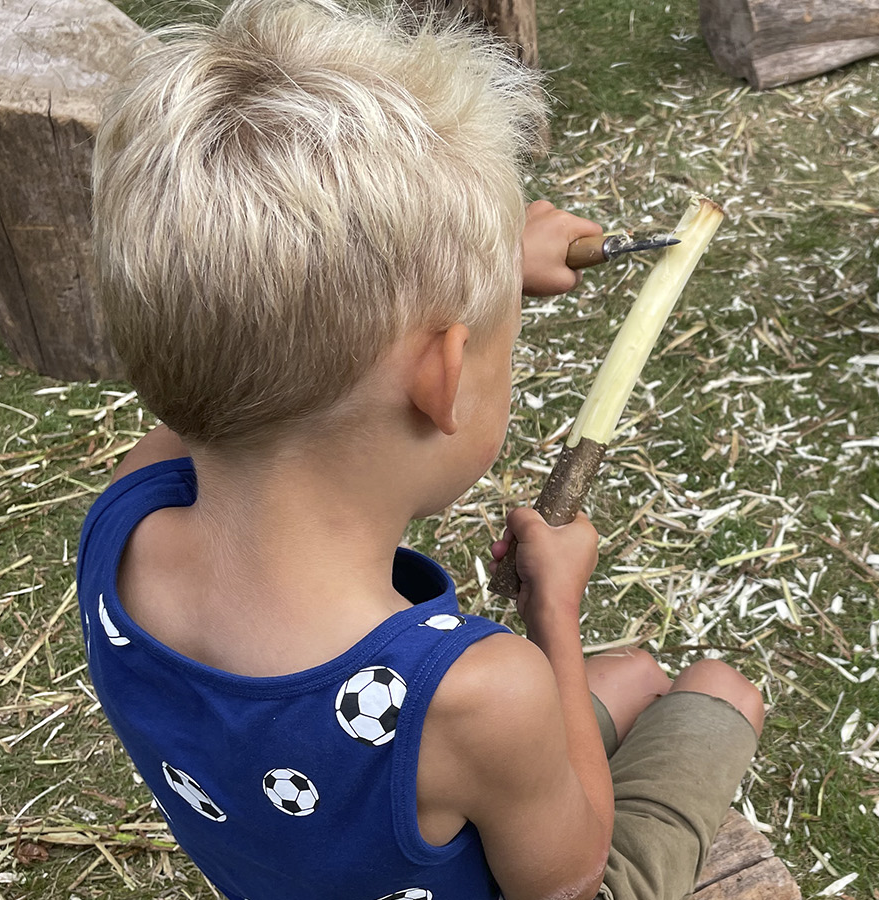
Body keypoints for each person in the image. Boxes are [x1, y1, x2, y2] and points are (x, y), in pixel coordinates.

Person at [77, 2, 764, 899]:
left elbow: (236, 357)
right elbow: (567, 879)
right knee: (717, 688)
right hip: (544, 854)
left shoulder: (125, 513)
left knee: (631, 676)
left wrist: (473, 275)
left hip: (302, 844)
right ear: (442, 376)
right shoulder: (483, 691)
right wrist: (553, 611)